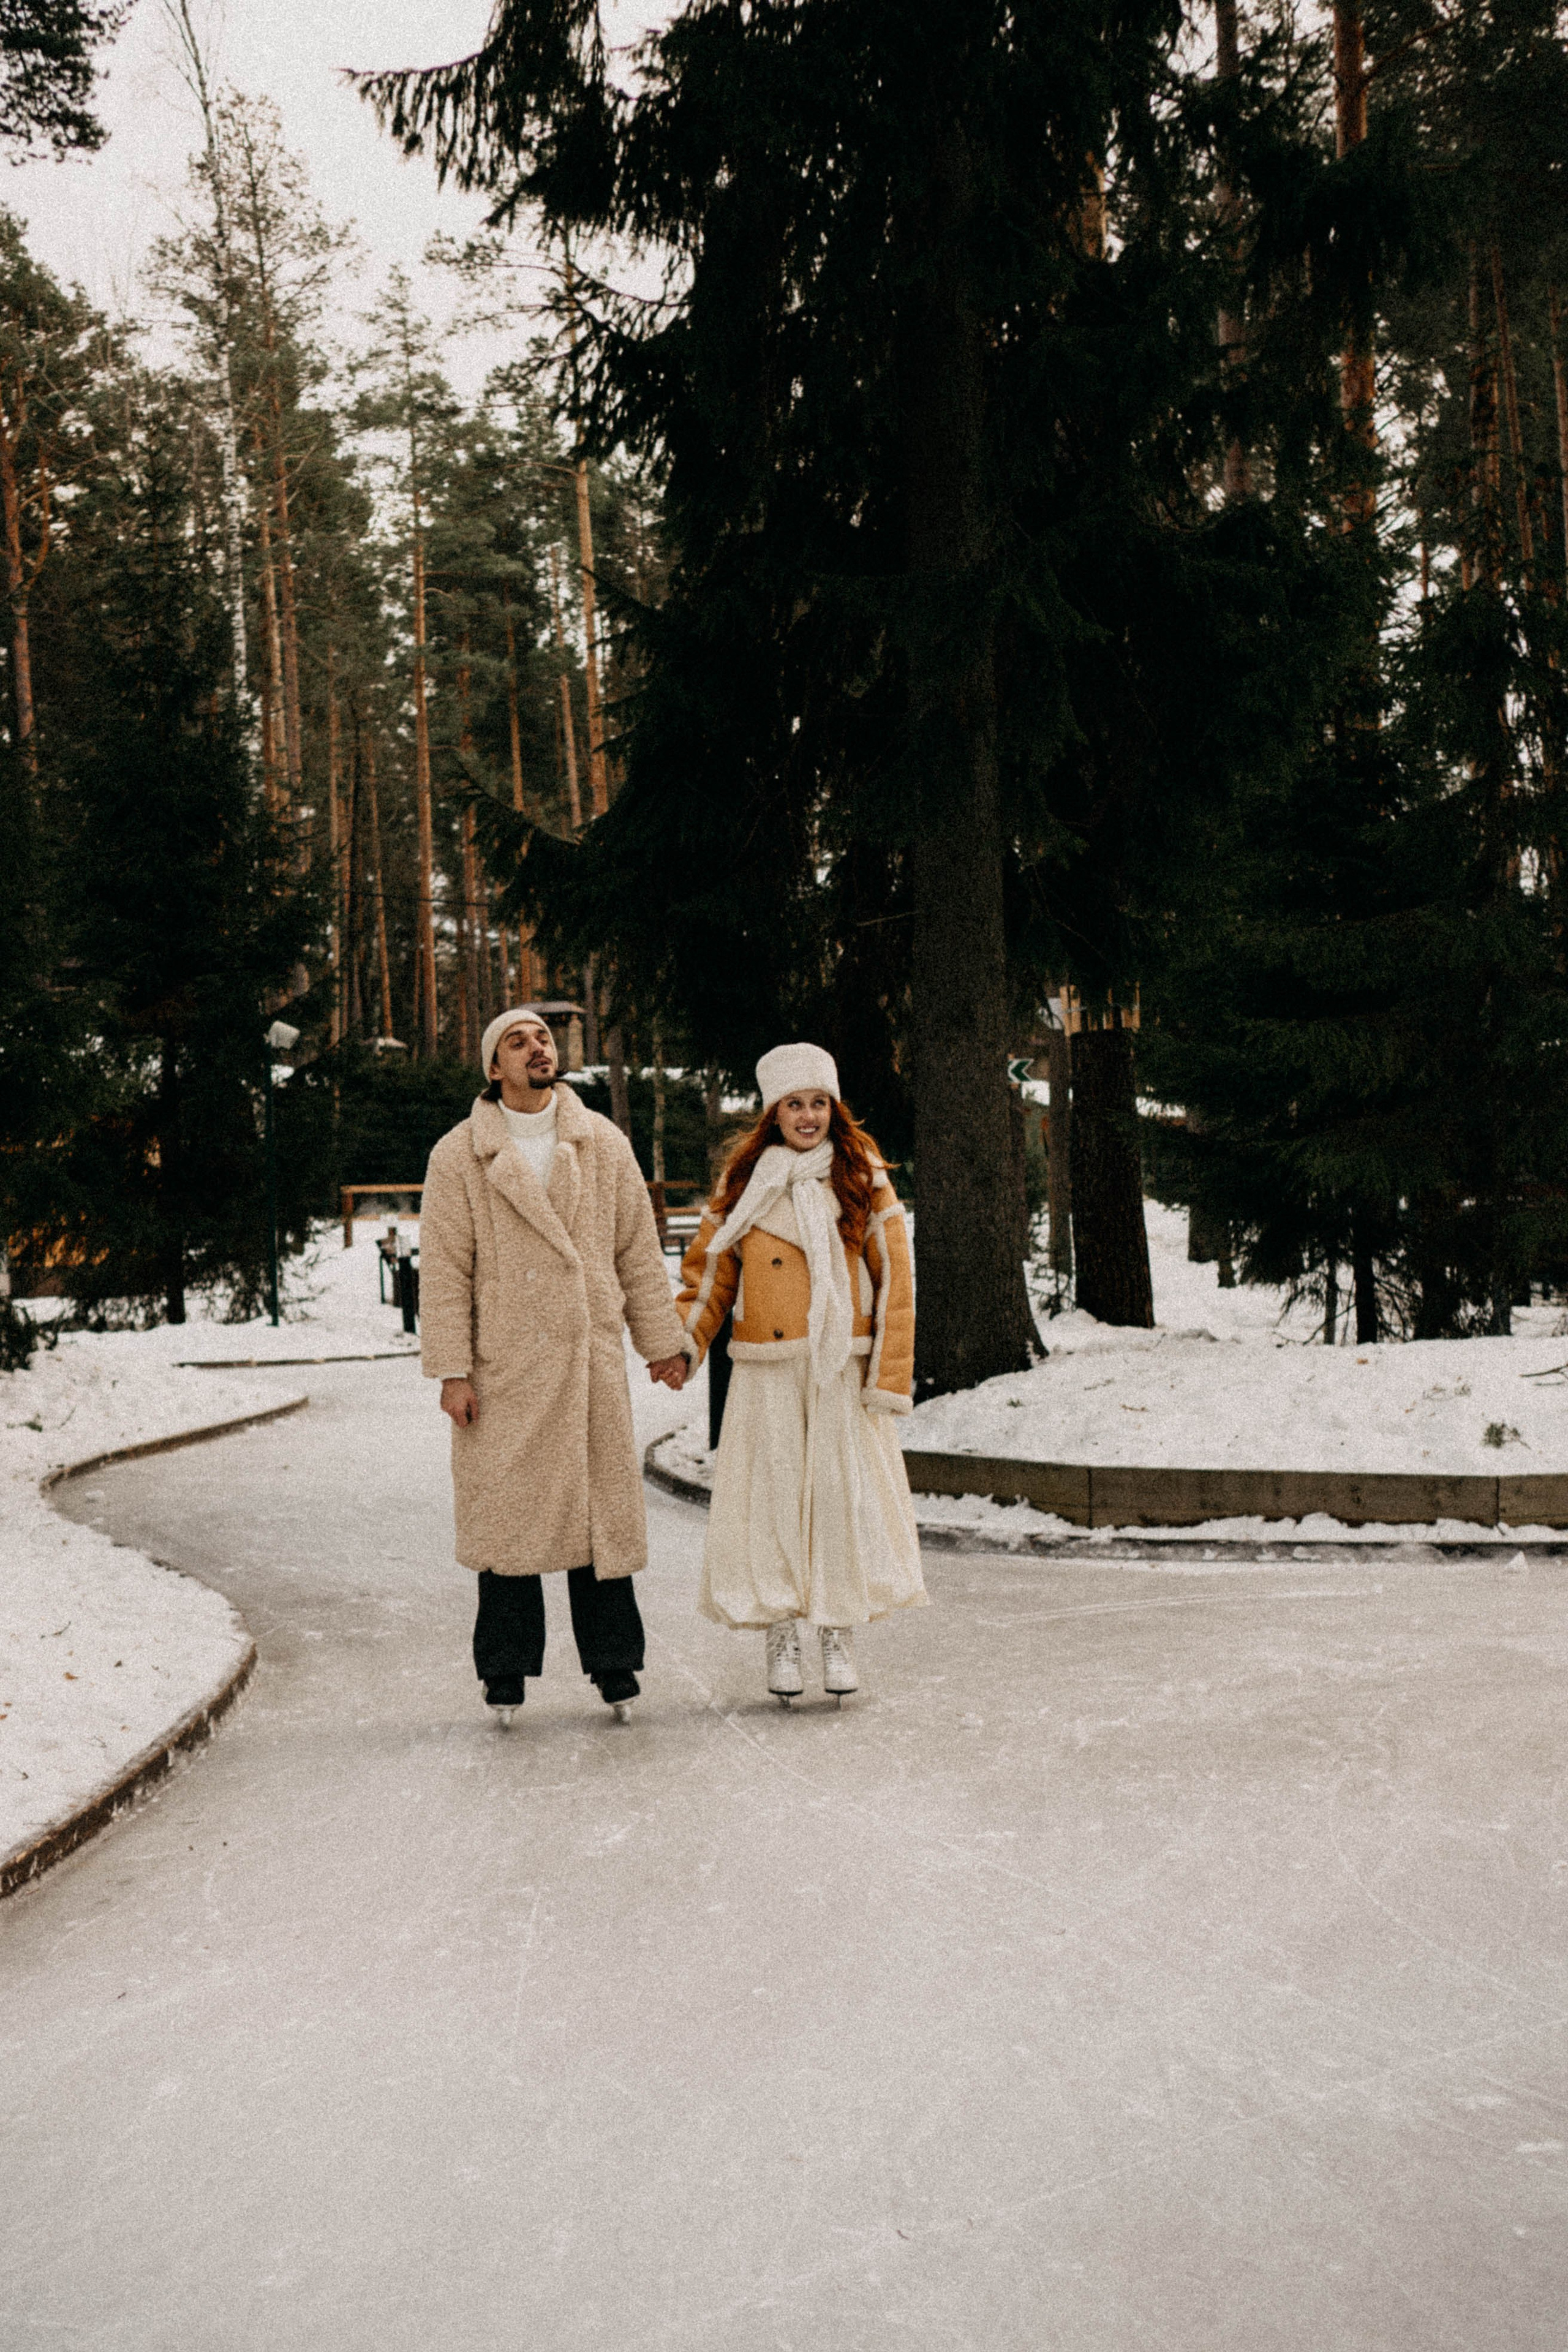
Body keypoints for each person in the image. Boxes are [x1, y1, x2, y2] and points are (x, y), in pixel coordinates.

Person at [419, 1006, 688, 1726]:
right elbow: (445, 1270)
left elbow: (636, 1249)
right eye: (518, 1041)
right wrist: (452, 1370)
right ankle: (505, 1673)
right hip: (503, 1367)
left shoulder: (600, 1142)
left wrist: (661, 1341)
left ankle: (615, 1666)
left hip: (585, 1359)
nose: (538, 1048)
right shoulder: (459, 1155)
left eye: (543, 1037)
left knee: (597, 1517)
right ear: (493, 1068)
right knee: (507, 1524)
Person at [675, 1042, 925, 1705]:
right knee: (774, 1503)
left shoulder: (863, 1176)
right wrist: (682, 1346)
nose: (808, 1116)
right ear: (773, 1112)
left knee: (839, 1502)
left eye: (819, 1103)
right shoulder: (744, 1181)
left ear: (833, 1109)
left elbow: (895, 1278)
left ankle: (837, 1630)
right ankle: (782, 1631)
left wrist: (888, 1374)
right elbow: (709, 1273)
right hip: (766, 1368)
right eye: (794, 1104)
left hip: (838, 1366)